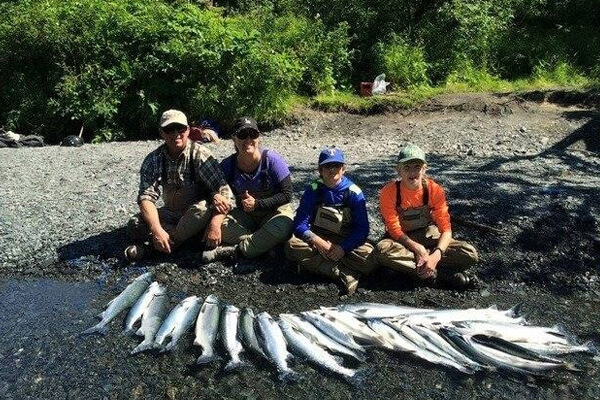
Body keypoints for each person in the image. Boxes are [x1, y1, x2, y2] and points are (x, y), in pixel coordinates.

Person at [124, 109, 235, 261]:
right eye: (169, 129)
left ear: (188, 130)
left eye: (180, 129)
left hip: (196, 214)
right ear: (162, 133)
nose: (176, 133)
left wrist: (215, 224)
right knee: (135, 224)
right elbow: (146, 197)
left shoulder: (200, 155)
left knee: (201, 210)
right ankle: (181, 240)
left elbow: (225, 192)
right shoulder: (153, 159)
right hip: (171, 212)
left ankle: (162, 245)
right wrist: (156, 229)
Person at [374, 144, 478, 288]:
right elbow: (393, 229)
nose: (412, 172)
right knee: (382, 250)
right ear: (398, 170)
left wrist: (436, 255)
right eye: (406, 167)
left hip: (430, 237)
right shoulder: (389, 192)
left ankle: (419, 269)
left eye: (417, 166)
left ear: (424, 168)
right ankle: (438, 274)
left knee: (469, 253)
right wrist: (418, 249)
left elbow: (446, 229)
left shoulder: (434, 190)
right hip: (402, 241)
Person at [201, 117, 294, 262]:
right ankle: (263, 244)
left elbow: (287, 195)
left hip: (273, 212)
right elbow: (207, 187)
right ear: (234, 139)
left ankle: (237, 250)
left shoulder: (272, 161)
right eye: (243, 135)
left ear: (259, 138)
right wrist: (214, 195)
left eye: (253, 134)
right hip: (245, 217)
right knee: (220, 226)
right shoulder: (228, 166)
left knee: (285, 225)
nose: (248, 139)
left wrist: (257, 204)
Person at [284, 148, 375, 295]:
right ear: (320, 170)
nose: (332, 170)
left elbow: (362, 230)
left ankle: (315, 265)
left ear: (343, 169)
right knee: (292, 246)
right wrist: (318, 242)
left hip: (345, 240)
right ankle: (342, 273)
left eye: (336, 166)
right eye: (327, 166)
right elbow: (299, 224)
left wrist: (342, 248)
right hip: (319, 237)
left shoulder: (354, 192)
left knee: (369, 256)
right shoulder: (313, 189)